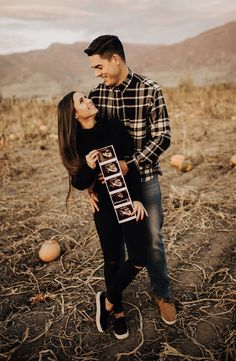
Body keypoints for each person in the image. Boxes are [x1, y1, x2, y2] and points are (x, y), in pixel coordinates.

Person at [83, 35, 177, 325]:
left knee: (152, 239)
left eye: (99, 67)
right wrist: (88, 184)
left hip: (144, 179)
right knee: (116, 246)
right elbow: (85, 143)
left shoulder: (149, 90)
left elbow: (163, 137)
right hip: (109, 187)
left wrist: (131, 164)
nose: (97, 74)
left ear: (116, 59)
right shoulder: (97, 95)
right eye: (94, 70)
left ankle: (162, 293)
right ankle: (115, 300)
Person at [57, 91, 148, 340]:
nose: (89, 100)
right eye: (82, 101)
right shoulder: (75, 141)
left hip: (126, 198)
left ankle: (106, 300)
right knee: (112, 260)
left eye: (86, 97)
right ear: (74, 114)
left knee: (140, 255)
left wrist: (137, 197)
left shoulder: (112, 126)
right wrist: (88, 166)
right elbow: (79, 182)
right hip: (103, 206)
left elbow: (130, 162)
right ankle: (118, 312)